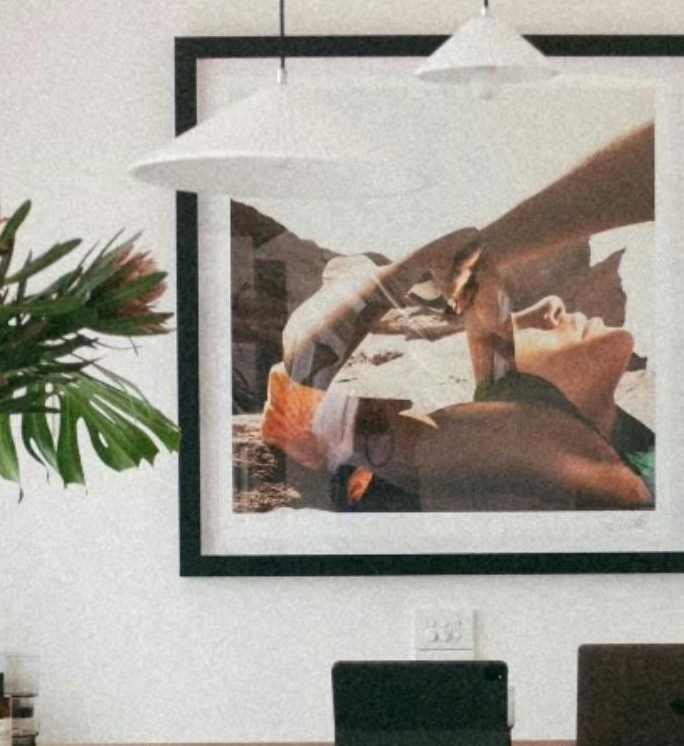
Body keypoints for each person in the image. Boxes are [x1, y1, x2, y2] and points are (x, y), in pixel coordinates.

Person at [258, 121, 657, 512]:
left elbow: (300, 399)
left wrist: (446, 262)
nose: (549, 305)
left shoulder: (569, 434)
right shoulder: (550, 443)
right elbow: (302, 419)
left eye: (521, 321)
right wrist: (403, 272)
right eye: (524, 322)